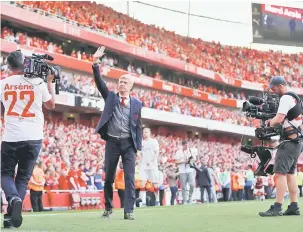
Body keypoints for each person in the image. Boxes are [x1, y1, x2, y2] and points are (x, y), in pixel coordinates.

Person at [0, 50, 55, 228]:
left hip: (11, 136)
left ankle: (13, 200)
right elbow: (51, 105)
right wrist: (49, 82)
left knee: (5, 174)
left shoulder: (3, 83)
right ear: (25, 63)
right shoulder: (38, 82)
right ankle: (11, 217)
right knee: (22, 178)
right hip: (33, 137)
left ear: (9, 66)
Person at [92, 46, 142, 220]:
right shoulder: (111, 97)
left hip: (129, 144)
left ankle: (129, 210)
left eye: (125, 82)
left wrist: (139, 148)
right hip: (112, 142)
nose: (121, 83)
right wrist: (95, 62)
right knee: (109, 178)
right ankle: (108, 207)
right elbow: (99, 83)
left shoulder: (137, 104)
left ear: (131, 86)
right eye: (120, 81)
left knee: (129, 178)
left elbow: (138, 126)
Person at [259, 76, 303, 217]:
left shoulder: (285, 98)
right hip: (296, 141)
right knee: (290, 174)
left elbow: (278, 119)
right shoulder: (295, 98)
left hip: (289, 143)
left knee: (280, 174)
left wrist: (268, 123)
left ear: (281, 86)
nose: (272, 90)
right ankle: (293, 206)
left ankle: (277, 207)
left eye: (274, 88)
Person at [139, 127, 160, 207]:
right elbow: (140, 154)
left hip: (152, 165)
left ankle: (157, 201)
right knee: (142, 184)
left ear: (149, 133)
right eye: (143, 132)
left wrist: (150, 161)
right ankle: (143, 203)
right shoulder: (141, 142)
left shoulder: (154, 141)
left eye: (146, 132)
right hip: (143, 166)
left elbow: (156, 153)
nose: (144, 133)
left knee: (155, 185)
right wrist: (140, 163)